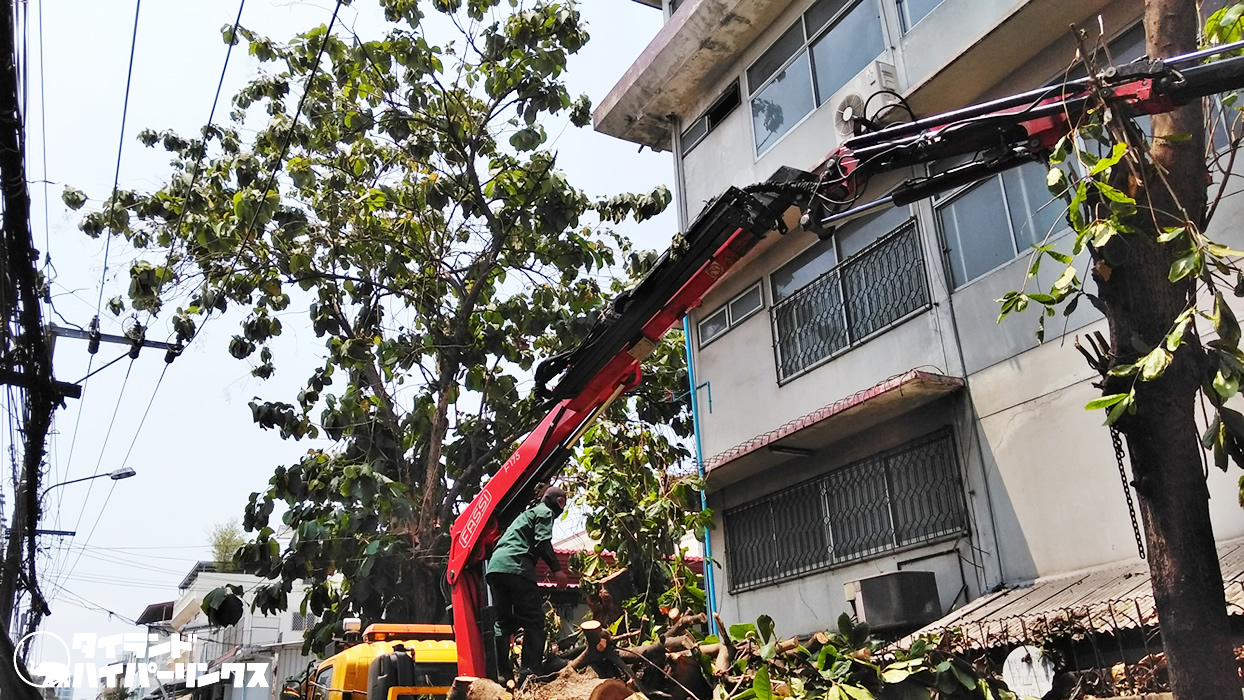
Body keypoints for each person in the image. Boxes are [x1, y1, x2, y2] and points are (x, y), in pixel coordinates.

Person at [486, 485, 569, 682]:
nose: (562, 508)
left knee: (503, 622)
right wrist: (557, 570)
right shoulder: (544, 512)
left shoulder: (526, 515)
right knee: (534, 619)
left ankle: (503, 675)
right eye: (562, 503)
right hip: (516, 566)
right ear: (557, 502)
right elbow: (542, 542)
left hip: (496, 567)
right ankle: (530, 671)